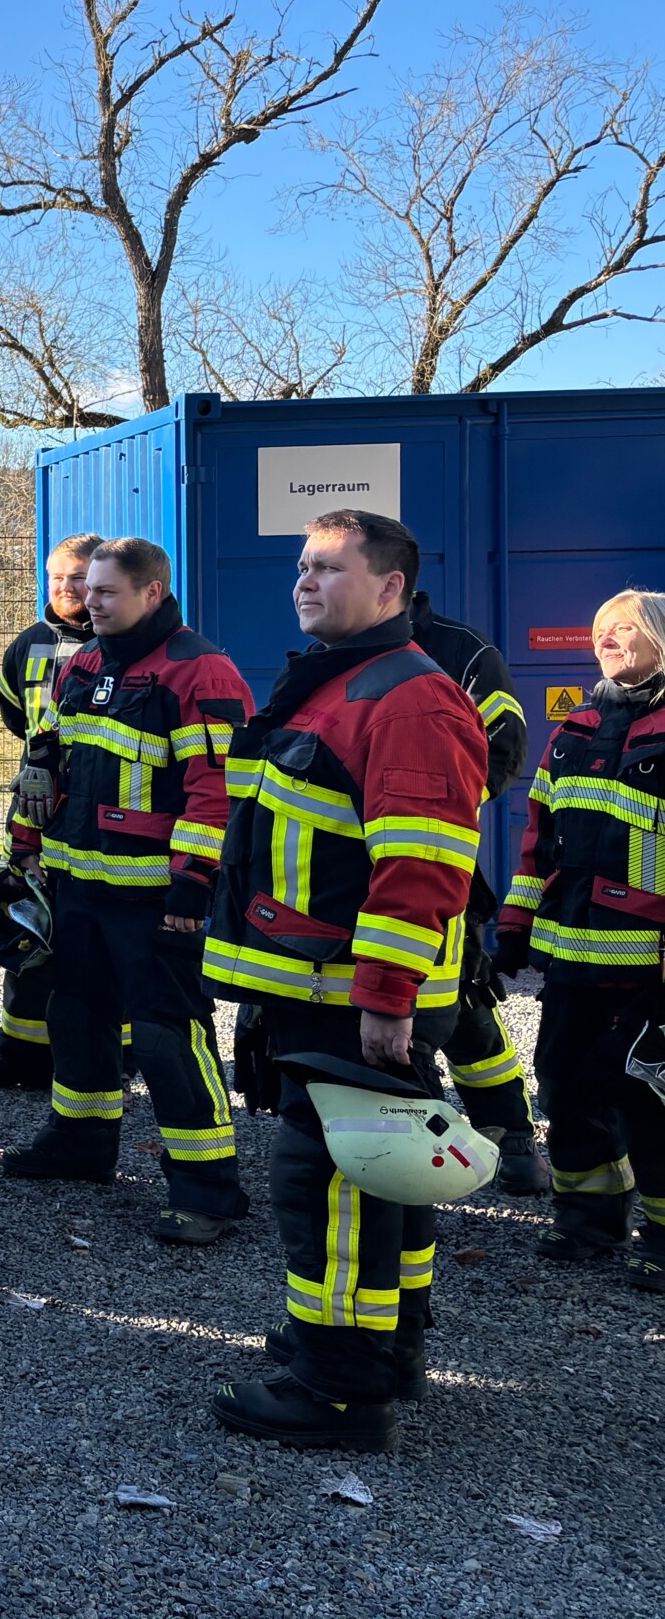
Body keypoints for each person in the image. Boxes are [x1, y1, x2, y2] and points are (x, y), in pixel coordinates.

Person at [205, 510, 487, 1450]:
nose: (305, 581)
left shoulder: (407, 698)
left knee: (328, 1187)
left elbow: (422, 864)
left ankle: (335, 1387)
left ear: (392, 588)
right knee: (386, 1178)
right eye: (301, 566)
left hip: (354, 998)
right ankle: (383, 1348)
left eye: (329, 567)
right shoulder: (339, 685)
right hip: (322, 989)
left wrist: (385, 997)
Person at [4, 536, 257, 1247]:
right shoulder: (80, 663)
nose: (90, 601)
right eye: (87, 590)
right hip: (77, 888)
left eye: (106, 591)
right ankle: (79, 1147)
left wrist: (191, 889)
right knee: (76, 1019)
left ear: (152, 592)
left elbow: (219, 794)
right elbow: (42, 762)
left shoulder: (200, 671)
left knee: (166, 1037)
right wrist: (24, 847)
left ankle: (208, 1188)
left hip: (154, 899)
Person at [493, 588, 665, 1286]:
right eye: (601, 629)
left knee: (645, 1094)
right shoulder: (577, 729)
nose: (608, 639)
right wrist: (512, 929)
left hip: (650, 967)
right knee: (563, 1085)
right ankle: (588, 1217)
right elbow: (540, 845)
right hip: (570, 960)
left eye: (625, 629)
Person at [405, 588, 550, 1193]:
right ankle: (433, 1148)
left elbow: (505, 747)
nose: (309, 584)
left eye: (330, 569)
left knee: (460, 997)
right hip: (350, 868)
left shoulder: (462, 652)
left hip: (434, 857)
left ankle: (508, 1135)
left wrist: (430, 810)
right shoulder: (322, 653)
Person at [0, 532, 99, 1090]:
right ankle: (21, 1055)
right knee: (27, 922)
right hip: (37, 801)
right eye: (58, 577)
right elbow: (15, 714)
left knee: (96, 936)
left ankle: (111, 1058)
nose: (68, 588)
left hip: (102, 807)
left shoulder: (124, 643)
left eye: (80, 578)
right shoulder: (27, 644)